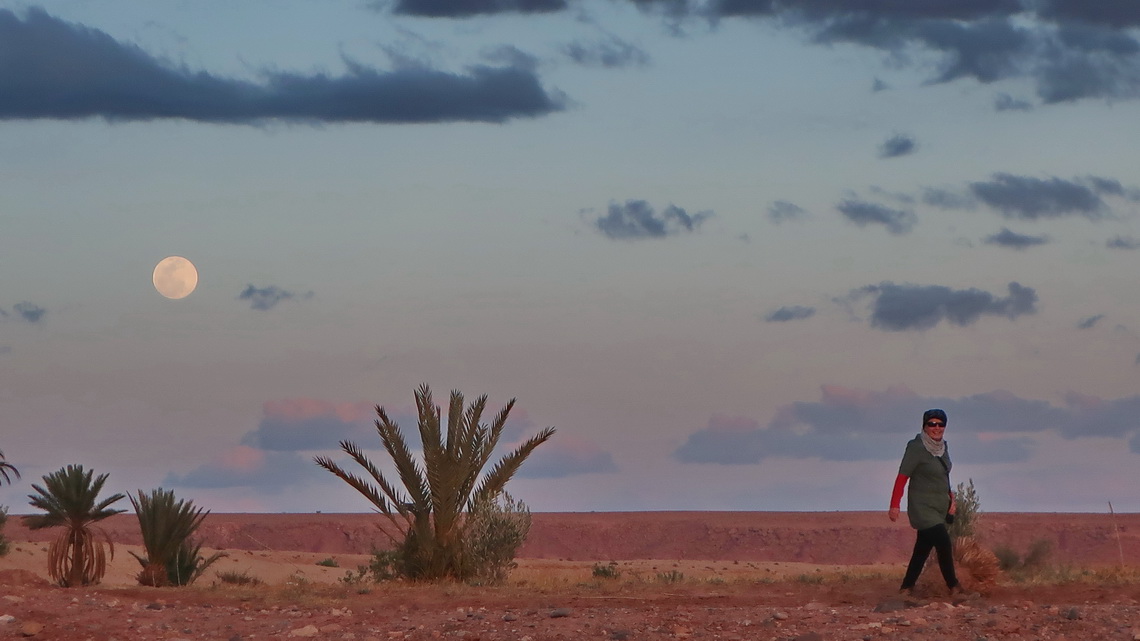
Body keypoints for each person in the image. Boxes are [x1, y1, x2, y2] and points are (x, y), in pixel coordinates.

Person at [888, 408, 966, 595]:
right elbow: (902, 476)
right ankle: (954, 587)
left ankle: (906, 588)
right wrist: (894, 504)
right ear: (924, 426)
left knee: (922, 549)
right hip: (922, 507)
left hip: (939, 506)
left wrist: (951, 500)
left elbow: (944, 476)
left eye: (940, 424)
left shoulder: (943, 449)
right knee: (943, 542)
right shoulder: (916, 447)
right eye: (932, 424)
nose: (936, 428)